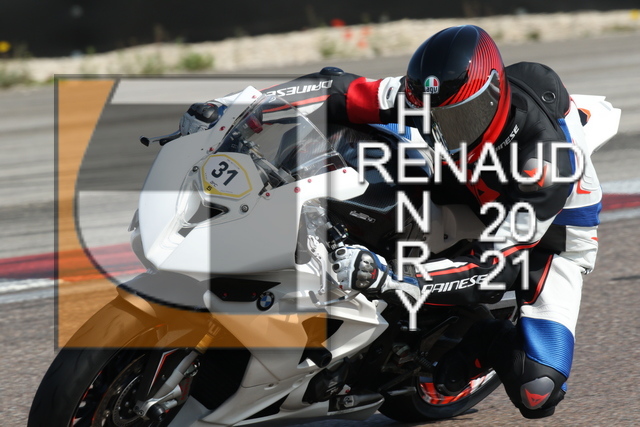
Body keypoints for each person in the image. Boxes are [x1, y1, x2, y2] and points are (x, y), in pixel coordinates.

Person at [179, 25, 601, 419]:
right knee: (347, 128)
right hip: (462, 185)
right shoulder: (436, 98)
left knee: (537, 390)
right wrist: (234, 107)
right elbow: (336, 89)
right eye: (434, 116)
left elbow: (495, 265)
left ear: (493, 96)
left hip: (548, 238)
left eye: (459, 119)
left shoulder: (545, 164)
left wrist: (394, 276)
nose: (444, 130)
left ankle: (477, 338)